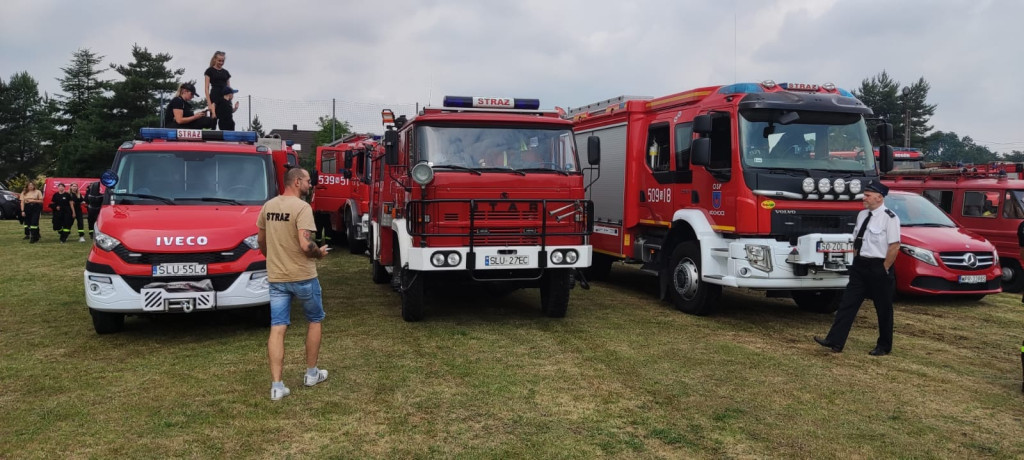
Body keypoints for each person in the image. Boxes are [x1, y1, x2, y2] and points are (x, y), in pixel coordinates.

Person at [256, 167, 330, 401]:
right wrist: (320, 253)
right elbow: (306, 245)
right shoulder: (302, 208)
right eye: (308, 181)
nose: (311, 184)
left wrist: (272, 257)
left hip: (277, 278)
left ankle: (277, 386)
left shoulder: (268, 206)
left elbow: (261, 239)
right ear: (297, 182)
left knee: (278, 327)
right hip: (303, 276)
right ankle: (311, 373)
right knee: (314, 320)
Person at [815, 181, 901, 356]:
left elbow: (894, 246)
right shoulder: (862, 215)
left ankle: (884, 346)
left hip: (879, 266)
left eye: (868, 195)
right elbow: (857, 239)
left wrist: (884, 268)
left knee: (883, 308)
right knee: (847, 304)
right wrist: (856, 259)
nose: (864, 198)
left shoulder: (890, 218)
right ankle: (835, 341)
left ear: (879, 197)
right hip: (860, 266)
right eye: (865, 194)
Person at [204, 51, 232, 126]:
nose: (221, 62)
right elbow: (206, 88)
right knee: (213, 119)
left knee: (226, 118)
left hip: (224, 96)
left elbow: (229, 87)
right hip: (215, 95)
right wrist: (209, 103)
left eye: (223, 61)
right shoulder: (209, 71)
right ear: (215, 60)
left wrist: (230, 96)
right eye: (219, 60)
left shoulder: (226, 72)